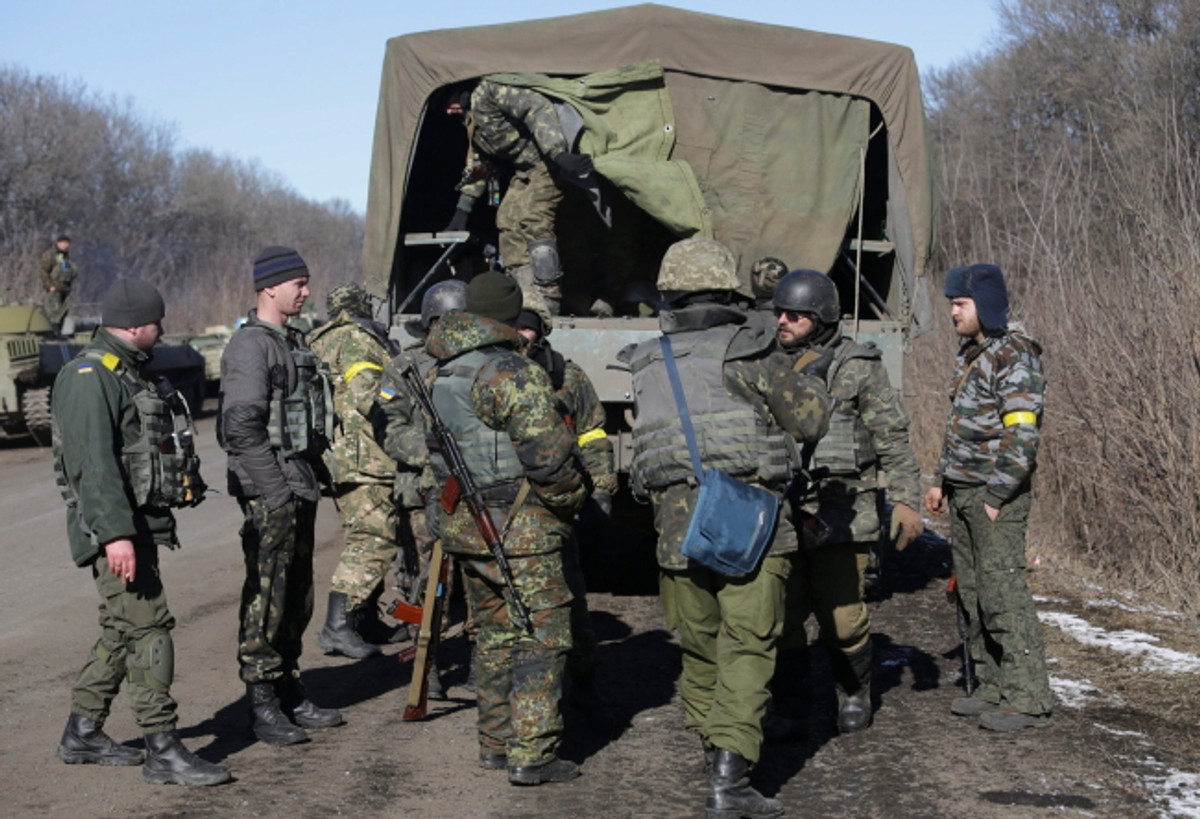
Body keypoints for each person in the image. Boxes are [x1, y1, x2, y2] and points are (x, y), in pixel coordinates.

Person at [622, 238, 832, 819]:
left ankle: (714, 748)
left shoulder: (646, 359)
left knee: (699, 648)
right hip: (749, 522)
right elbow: (811, 420)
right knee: (748, 645)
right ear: (727, 291)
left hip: (675, 529)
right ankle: (730, 776)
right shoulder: (751, 350)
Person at [51, 278, 229, 787]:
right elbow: (93, 465)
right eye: (157, 321)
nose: (163, 328)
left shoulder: (126, 373)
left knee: (121, 629)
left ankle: (82, 732)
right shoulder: (90, 377)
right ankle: (163, 748)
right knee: (150, 629)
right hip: (115, 531)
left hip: (134, 526)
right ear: (135, 325)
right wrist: (115, 535)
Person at [422, 271, 586, 785]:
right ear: (512, 318)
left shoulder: (442, 372)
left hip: (469, 527)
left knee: (493, 632)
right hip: (522, 527)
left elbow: (435, 458)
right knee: (542, 634)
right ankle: (532, 753)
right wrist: (568, 504)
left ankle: (494, 743)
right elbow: (550, 459)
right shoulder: (510, 372)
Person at [770, 269, 924, 734]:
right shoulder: (766, 362)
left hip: (843, 510)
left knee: (843, 616)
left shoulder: (858, 365)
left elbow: (892, 435)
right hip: (780, 508)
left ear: (820, 318)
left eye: (794, 315)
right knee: (783, 614)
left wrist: (905, 499)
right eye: (779, 312)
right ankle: (792, 700)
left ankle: (854, 690)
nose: (783, 321)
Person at [218, 246, 344, 746]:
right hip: (272, 487)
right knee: (267, 597)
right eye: (298, 283)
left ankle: (288, 688)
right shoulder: (252, 347)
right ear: (270, 288)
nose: (306, 291)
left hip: (298, 481)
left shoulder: (291, 341)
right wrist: (273, 491)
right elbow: (241, 427)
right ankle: (262, 701)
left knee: (296, 595)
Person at [922, 263, 1052, 732]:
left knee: (1003, 594)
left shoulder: (1014, 356)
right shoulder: (972, 354)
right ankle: (992, 686)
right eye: (952, 304)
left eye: (960, 304)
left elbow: (1022, 435)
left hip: (996, 495)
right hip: (963, 491)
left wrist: (999, 495)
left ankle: (1028, 696)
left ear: (986, 305)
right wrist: (940, 479)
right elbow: (959, 427)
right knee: (973, 594)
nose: (953, 312)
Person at [513, 292, 616, 719]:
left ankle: (584, 686)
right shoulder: (490, 376)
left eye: (528, 326)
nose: (521, 335)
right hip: (504, 507)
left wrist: (603, 488)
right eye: (513, 325)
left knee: (570, 602)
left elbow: (592, 432)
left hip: (556, 507)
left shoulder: (567, 378)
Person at [374, 279, 471, 700]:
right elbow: (388, 427)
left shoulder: (478, 363)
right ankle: (424, 661)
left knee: (479, 576)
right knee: (425, 584)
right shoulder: (404, 367)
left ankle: (482, 661)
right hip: (422, 490)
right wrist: (432, 451)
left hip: (475, 485)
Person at [443, 80, 595, 315]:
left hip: (548, 165)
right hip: (524, 170)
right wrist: (463, 209)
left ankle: (548, 296)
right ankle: (526, 294)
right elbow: (479, 162)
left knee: (534, 218)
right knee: (507, 219)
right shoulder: (471, 119)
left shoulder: (491, 92)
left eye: (450, 99)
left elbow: (536, 108)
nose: (448, 109)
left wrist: (558, 153)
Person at [309, 283, 402, 660]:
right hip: (368, 456)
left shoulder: (321, 341)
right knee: (373, 539)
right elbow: (370, 394)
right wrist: (405, 402)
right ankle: (339, 625)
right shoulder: (359, 340)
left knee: (365, 534)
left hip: (342, 456)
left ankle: (363, 620)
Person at [39, 233, 78, 330]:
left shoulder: (65, 256)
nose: (67, 245)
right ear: (58, 243)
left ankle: (60, 331)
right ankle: (54, 331)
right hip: (55, 287)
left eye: (68, 243)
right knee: (56, 311)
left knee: (64, 311)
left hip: (65, 288)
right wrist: (49, 286)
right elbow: (43, 271)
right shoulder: (50, 255)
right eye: (64, 243)